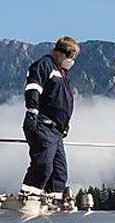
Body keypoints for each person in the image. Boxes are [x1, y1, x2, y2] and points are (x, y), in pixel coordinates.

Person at [21, 36, 79, 197]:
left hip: (57, 130)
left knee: (59, 172)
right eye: (70, 56)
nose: (71, 60)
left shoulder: (62, 72)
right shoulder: (45, 65)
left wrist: (65, 123)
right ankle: (29, 197)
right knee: (43, 166)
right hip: (43, 125)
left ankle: (55, 200)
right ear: (60, 52)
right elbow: (33, 88)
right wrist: (32, 111)